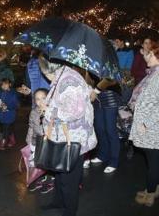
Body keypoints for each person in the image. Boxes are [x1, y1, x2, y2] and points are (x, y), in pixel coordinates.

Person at [39, 56, 97, 216]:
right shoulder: (63, 76)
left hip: (73, 138)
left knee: (69, 180)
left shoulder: (69, 80)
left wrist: (48, 110)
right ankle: (58, 202)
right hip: (65, 136)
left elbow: (73, 111)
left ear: (47, 68)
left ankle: (69, 211)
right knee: (60, 173)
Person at [129, 42, 159, 207]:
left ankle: (150, 191)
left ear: (158, 57)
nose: (145, 56)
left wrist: (146, 124)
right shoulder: (154, 73)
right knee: (153, 158)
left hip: (155, 125)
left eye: (149, 54)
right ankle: (154, 187)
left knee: (154, 159)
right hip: (150, 123)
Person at [90, 76, 121, 174]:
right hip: (97, 98)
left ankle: (114, 161)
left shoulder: (109, 61)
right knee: (99, 128)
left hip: (110, 96)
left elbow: (111, 79)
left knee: (110, 130)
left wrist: (96, 90)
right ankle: (103, 155)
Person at [0, 78, 19, 150]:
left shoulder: (13, 94)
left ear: (10, 84)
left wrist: (7, 106)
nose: (4, 86)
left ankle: (2, 144)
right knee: (7, 128)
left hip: (10, 114)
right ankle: (12, 140)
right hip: (1, 114)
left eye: (6, 84)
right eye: (2, 84)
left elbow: (16, 105)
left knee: (5, 130)